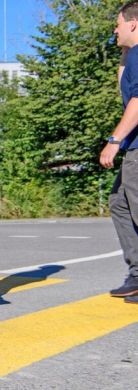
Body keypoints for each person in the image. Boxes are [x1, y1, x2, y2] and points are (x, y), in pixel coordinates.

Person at [100, 1, 138, 304]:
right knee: (119, 202)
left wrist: (114, 140)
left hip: (137, 149)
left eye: (119, 23)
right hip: (134, 148)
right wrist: (124, 50)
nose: (115, 29)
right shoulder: (133, 57)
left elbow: (137, 104)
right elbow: (124, 89)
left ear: (133, 23)